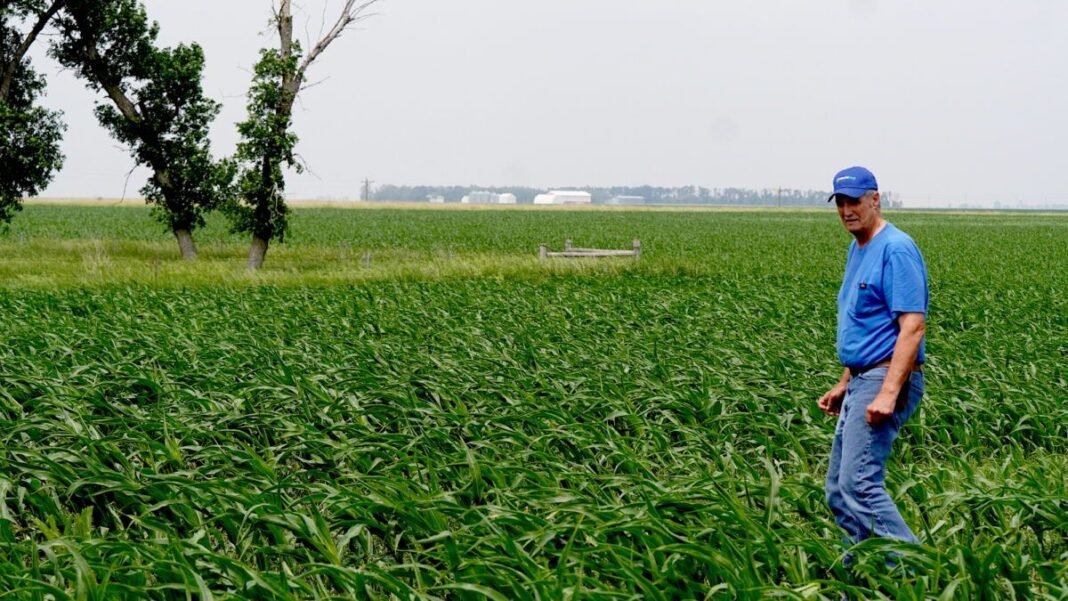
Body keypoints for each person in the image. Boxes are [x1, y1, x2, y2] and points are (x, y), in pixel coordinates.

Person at [818, 166, 928, 549]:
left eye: (856, 201)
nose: (848, 210)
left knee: (858, 485)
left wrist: (888, 391)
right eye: (841, 203)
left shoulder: (896, 249)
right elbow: (865, 321)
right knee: (838, 491)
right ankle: (865, 580)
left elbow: (912, 327)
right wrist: (846, 381)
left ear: (875, 199)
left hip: (884, 379)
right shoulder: (858, 247)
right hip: (862, 379)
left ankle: (918, 577)